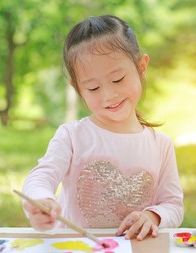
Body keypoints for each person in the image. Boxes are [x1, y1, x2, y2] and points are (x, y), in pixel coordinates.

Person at [21, 14, 183, 241]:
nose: (109, 95)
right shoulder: (72, 136)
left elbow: (173, 205)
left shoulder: (161, 145)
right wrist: (40, 200)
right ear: (78, 89)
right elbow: (41, 177)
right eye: (93, 88)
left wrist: (153, 216)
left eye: (118, 80)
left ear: (141, 67)